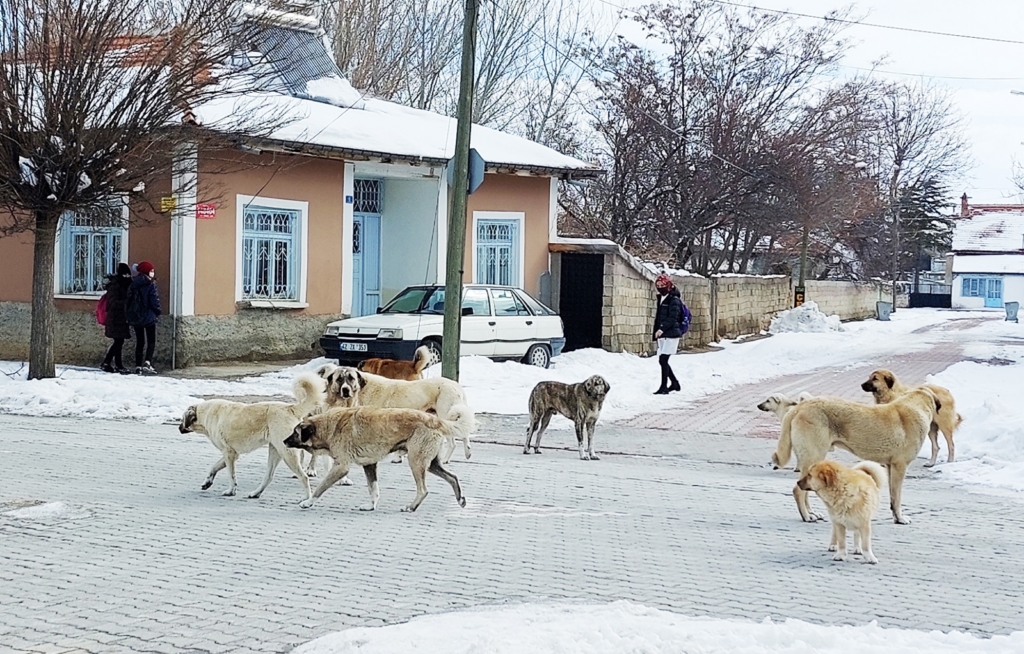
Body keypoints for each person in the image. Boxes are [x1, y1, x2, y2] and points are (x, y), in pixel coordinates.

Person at [127, 260, 161, 375]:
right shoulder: (150, 284)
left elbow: (129, 299)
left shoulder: (133, 283)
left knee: (140, 341)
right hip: (149, 316)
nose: (153, 272)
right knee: (151, 341)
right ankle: (147, 362)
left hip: (136, 316)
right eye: (151, 270)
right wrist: (157, 311)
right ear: (147, 271)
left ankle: (137, 366)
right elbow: (154, 300)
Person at [652, 273, 683, 395]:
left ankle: (664, 386)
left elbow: (673, 317)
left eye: (662, 285)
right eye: (658, 285)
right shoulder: (662, 298)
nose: (660, 288)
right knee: (662, 360)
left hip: (670, 333)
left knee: (663, 359)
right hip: (663, 334)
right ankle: (674, 383)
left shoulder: (674, 299)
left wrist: (661, 329)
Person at [100, 263, 132, 374]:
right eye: (125, 274)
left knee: (119, 341)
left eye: (129, 274)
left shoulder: (125, 284)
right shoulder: (115, 286)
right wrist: (126, 303)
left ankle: (113, 364)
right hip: (115, 318)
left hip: (121, 318)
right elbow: (113, 303)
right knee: (118, 341)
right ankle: (109, 363)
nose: (127, 277)